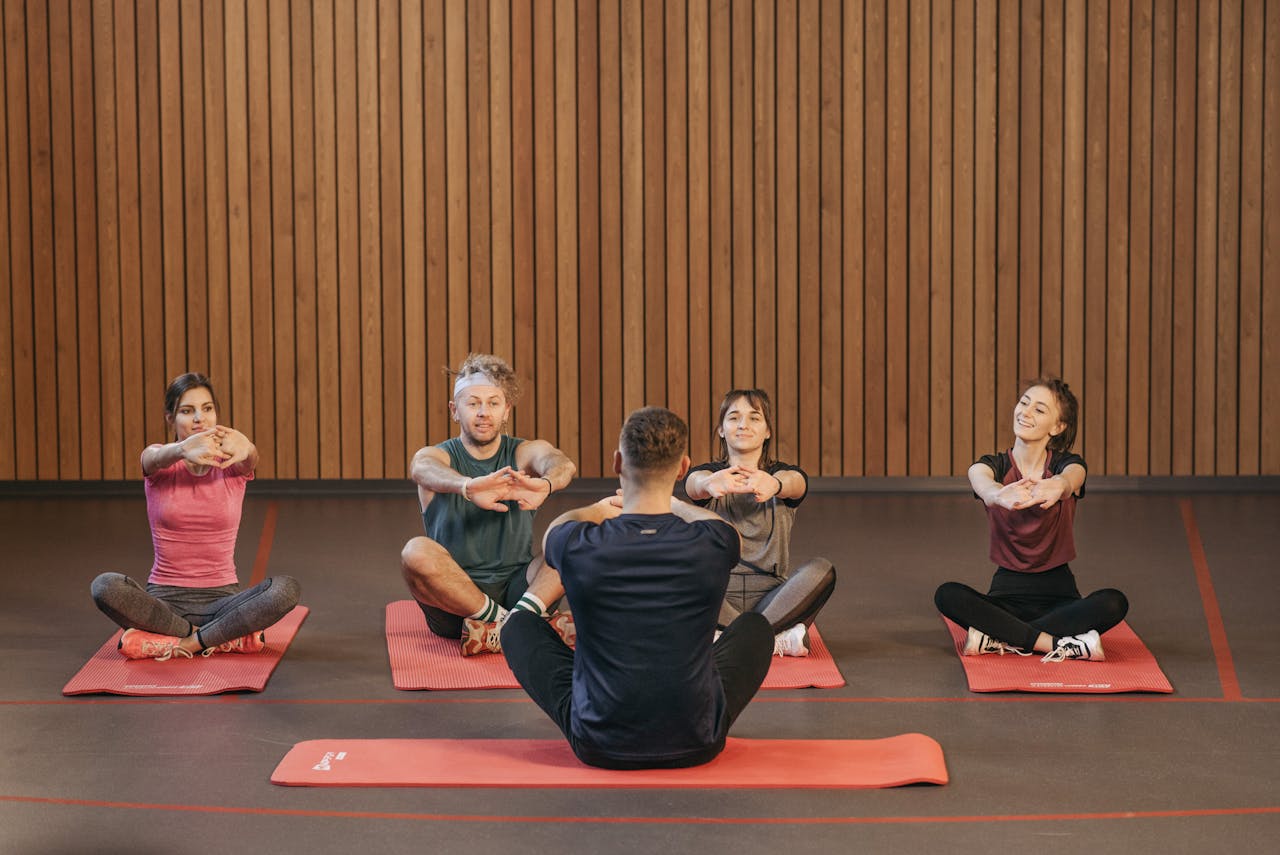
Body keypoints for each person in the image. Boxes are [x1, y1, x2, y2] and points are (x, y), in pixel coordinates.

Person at [501, 406, 774, 770]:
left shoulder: (578, 541)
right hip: (698, 741)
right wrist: (677, 505)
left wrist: (598, 509)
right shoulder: (714, 542)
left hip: (598, 742)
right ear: (682, 467)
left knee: (518, 625)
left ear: (617, 462)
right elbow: (727, 532)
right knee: (755, 627)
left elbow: (554, 533)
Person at [90, 373, 301, 661]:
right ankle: (218, 637)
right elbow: (153, 457)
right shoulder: (161, 462)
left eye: (207, 409)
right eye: (187, 411)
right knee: (105, 586)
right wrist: (181, 449)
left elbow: (250, 459)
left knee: (285, 590)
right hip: (163, 604)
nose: (199, 418)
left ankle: (182, 642)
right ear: (170, 419)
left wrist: (248, 448)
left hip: (223, 601)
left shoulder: (230, 466)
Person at [934, 377, 1128, 662]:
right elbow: (980, 480)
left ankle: (1001, 637)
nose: (1025, 412)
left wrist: (1059, 485)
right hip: (1004, 598)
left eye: (1039, 409)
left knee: (1114, 602)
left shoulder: (1066, 465)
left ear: (1057, 426)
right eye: (1024, 403)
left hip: (1061, 599)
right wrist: (997, 494)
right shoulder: (993, 465)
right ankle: (1056, 643)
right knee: (947, 595)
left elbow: (1074, 475)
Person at [400, 353, 577, 656]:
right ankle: (519, 626)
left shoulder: (522, 453)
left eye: (493, 403)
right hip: (455, 604)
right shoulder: (439, 457)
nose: (483, 412)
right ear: (455, 411)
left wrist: (546, 484)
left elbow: (561, 463)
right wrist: (468, 487)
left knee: (574, 535)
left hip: (520, 591)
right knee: (415, 552)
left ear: (506, 410)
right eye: (473, 403)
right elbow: (421, 467)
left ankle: (501, 627)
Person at [683, 389, 836, 657]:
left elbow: (797, 483)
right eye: (734, 418)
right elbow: (693, 485)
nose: (743, 425)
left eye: (754, 418)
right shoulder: (708, 474)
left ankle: (727, 637)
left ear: (767, 431)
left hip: (773, 596)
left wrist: (775, 484)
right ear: (721, 430)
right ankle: (772, 639)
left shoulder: (780, 475)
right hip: (719, 592)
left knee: (821, 570)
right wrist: (708, 483)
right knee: (678, 572)